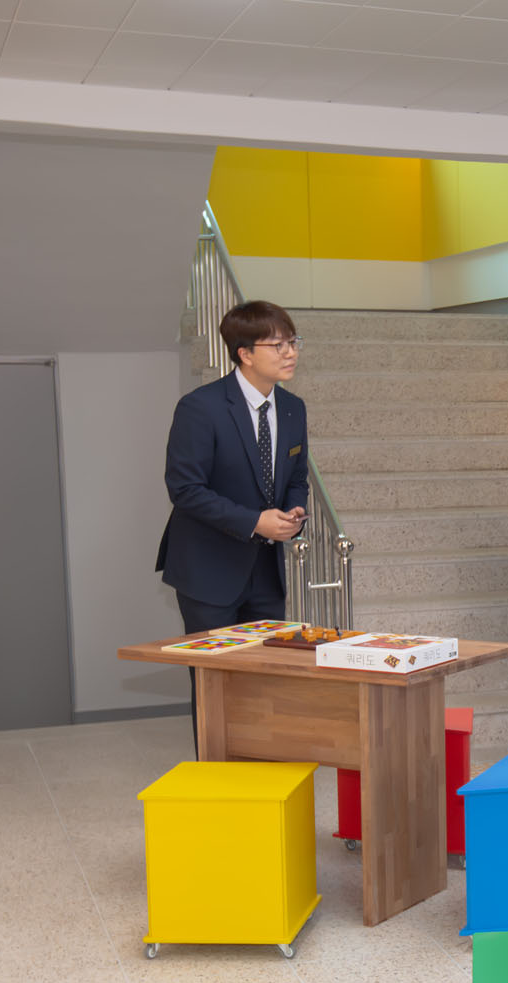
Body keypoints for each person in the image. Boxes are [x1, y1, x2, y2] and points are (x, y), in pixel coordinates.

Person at [157, 300, 309, 751]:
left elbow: (297, 479)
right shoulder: (200, 407)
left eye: (293, 342)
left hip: (266, 572)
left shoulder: (293, 409)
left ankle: (259, 773)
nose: (290, 352)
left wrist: (293, 514)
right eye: (278, 345)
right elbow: (185, 489)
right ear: (244, 353)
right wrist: (255, 521)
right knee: (214, 685)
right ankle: (218, 777)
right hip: (208, 572)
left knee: (263, 682)